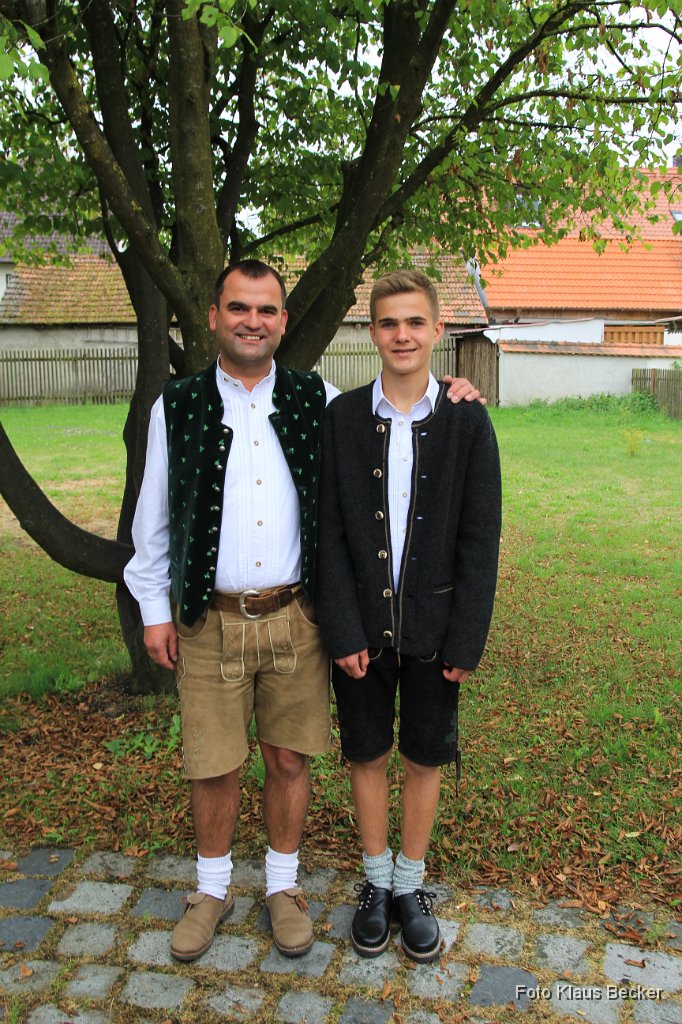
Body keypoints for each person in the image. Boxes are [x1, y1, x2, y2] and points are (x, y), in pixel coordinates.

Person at [124, 259, 483, 963]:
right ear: (214, 317)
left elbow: (397, 406)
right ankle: (211, 890)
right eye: (238, 308)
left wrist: (452, 389)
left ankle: (283, 888)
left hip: (296, 616)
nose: (252, 321)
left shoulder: (317, 400)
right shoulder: (177, 405)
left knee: (288, 757)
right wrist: (152, 608)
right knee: (214, 764)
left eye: (266, 310)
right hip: (209, 617)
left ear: (284, 321)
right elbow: (153, 516)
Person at [316, 269, 501, 963]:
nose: (402, 335)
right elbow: (329, 533)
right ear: (372, 333)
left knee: (425, 755)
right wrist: (342, 626)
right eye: (389, 323)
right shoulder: (342, 419)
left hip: (436, 628)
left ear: (437, 330)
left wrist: (467, 638)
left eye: (415, 322)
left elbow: (480, 536)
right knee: (366, 751)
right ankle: (374, 879)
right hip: (363, 629)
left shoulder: (465, 419)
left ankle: (410, 884)